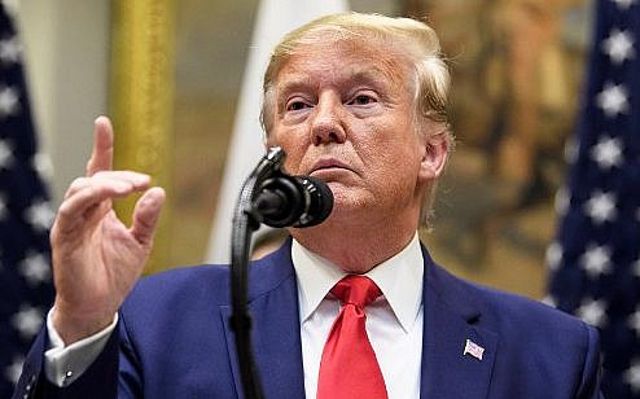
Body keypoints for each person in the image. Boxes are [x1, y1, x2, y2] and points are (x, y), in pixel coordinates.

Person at [14, 13, 602, 399]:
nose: (324, 123)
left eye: (361, 98)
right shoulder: (156, 322)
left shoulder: (550, 357)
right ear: (274, 152)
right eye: (297, 106)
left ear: (432, 151)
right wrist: (84, 323)